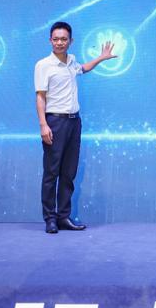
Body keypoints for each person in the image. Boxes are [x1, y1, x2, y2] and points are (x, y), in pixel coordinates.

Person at [34, 21, 116, 234]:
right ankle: (50, 219)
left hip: (74, 122)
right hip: (55, 122)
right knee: (52, 172)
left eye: (64, 39)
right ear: (50, 40)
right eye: (56, 39)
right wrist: (43, 125)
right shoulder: (43, 65)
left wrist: (100, 58)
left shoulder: (71, 61)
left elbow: (83, 69)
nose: (60, 42)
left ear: (71, 41)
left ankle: (64, 216)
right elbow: (40, 97)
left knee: (68, 172)